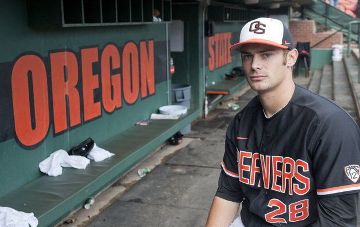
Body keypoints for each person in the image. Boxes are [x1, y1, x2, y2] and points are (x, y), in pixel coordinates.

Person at [206, 17, 360, 227]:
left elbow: (338, 220)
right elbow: (228, 193)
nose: (255, 65)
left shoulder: (330, 125)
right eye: (247, 56)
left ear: (291, 58)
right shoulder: (241, 122)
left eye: (266, 54)